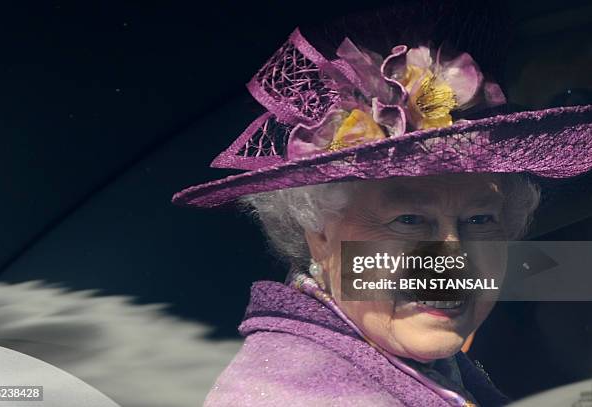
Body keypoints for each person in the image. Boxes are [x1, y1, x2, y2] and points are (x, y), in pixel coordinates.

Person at [172, 2, 592, 406]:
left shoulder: (410, 360)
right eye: (409, 220)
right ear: (318, 231)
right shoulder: (293, 395)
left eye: (479, 218)